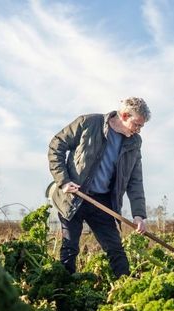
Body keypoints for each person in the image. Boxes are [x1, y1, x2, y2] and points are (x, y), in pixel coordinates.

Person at [47, 97, 150, 278]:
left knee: (116, 249)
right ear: (124, 115)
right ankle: (64, 294)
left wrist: (139, 214)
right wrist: (63, 181)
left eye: (141, 127)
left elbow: (135, 180)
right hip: (74, 196)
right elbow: (56, 145)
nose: (138, 130)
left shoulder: (134, 143)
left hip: (102, 202)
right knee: (70, 249)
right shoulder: (88, 123)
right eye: (136, 124)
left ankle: (127, 287)